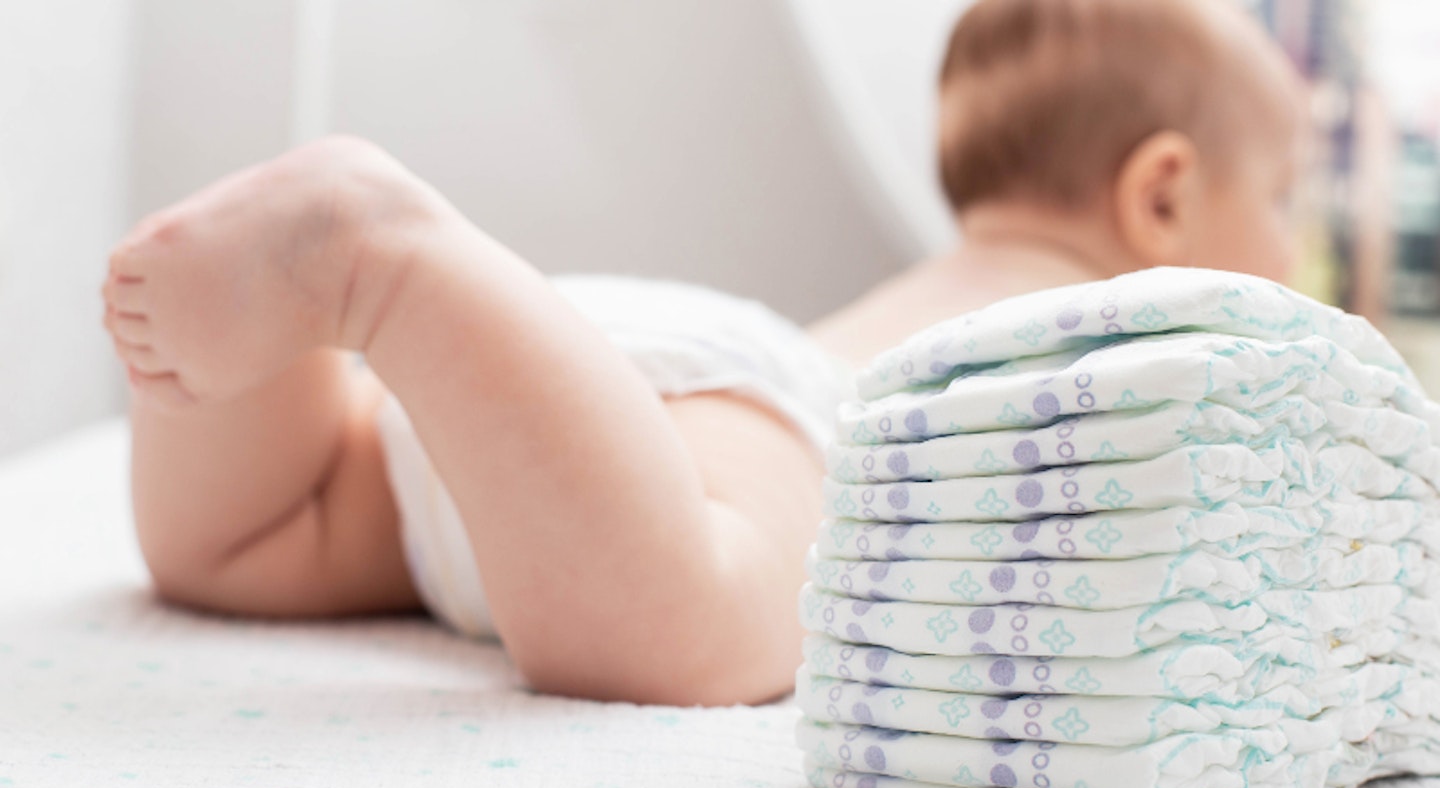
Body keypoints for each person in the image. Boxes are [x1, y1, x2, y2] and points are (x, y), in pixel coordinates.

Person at [102, 0, 1304, 706]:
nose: (1300, 246)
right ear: (1162, 198)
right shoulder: (1150, 328)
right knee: (698, 620)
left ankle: (289, 332)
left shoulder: (964, 277)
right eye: (1288, 198)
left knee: (254, 545)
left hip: (550, 385)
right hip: (752, 409)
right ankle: (385, 259)